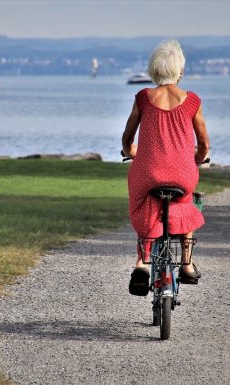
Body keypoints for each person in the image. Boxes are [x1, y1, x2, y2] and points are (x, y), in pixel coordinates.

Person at [122, 40, 210, 295]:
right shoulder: (192, 100)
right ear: (179, 70)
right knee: (186, 204)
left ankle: (142, 263)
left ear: (153, 69)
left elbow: (128, 138)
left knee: (145, 202)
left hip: (148, 172)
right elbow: (203, 143)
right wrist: (199, 158)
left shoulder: (143, 98)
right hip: (182, 174)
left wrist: (132, 153)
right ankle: (187, 262)